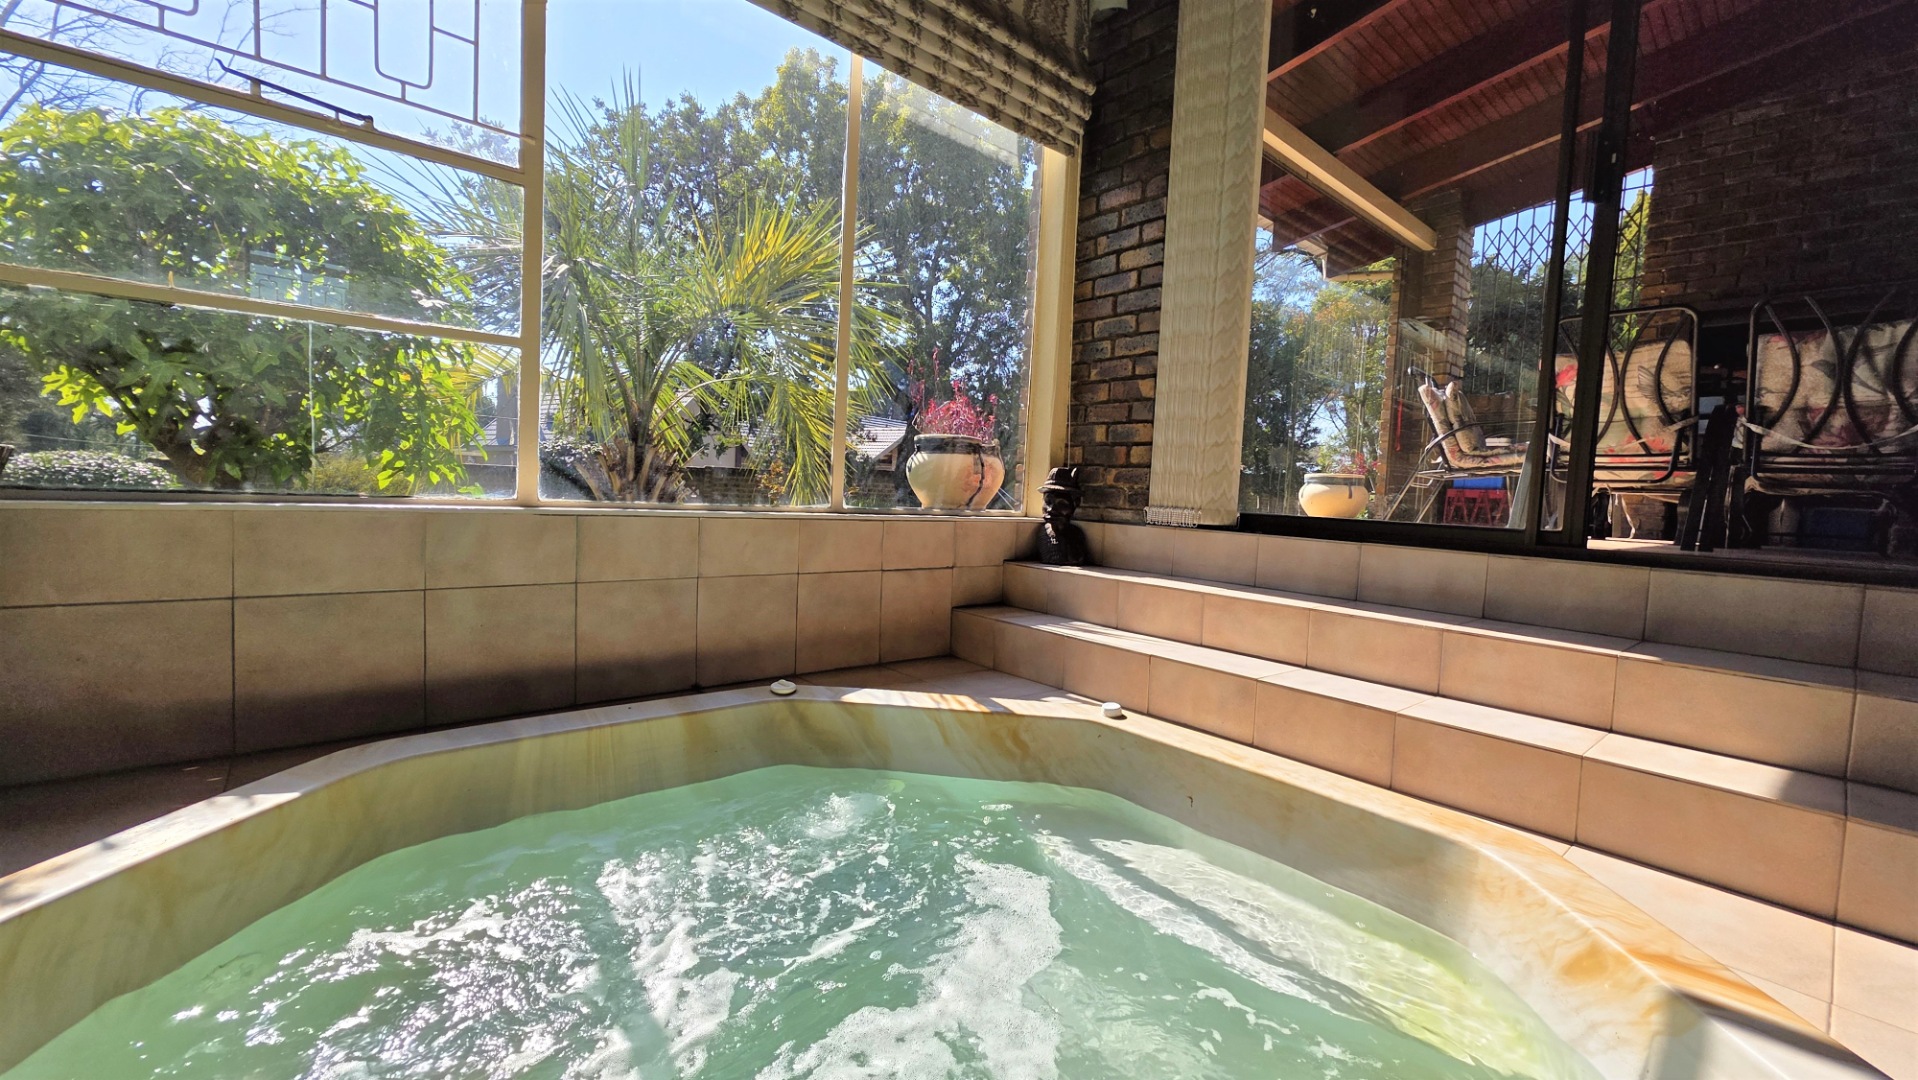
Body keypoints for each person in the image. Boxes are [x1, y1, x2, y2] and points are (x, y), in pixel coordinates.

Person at [1037, 466, 1090, 566]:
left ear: (1075, 504)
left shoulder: (1077, 534)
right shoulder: (1044, 534)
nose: (1051, 509)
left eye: (1061, 504)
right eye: (1048, 502)